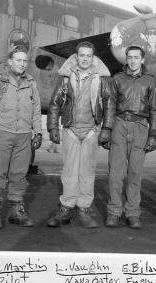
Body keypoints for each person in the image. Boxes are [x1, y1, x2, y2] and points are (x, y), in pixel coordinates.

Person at [47, 41, 115, 228]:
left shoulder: (102, 79)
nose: (85, 59)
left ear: (93, 57)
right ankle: (66, 207)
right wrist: (53, 128)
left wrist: (107, 130)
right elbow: (54, 104)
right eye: (82, 55)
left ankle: (83, 209)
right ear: (76, 57)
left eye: (88, 56)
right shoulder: (66, 78)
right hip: (70, 130)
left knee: (87, 172)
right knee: (69, 172)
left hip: (91, 131)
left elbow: (110, 105)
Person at [0, 45, 42, 229]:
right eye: (18, 60)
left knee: (19, 175)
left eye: (25, 61)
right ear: (10, 61)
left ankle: (16, 211)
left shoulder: (31, 83)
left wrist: (38, 132)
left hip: (24, 136)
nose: (22, 64)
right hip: (2, 133)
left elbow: (37, 110)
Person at [105, 45, 156, 229]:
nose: (133, 61)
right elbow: (110, 106)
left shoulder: (150, 81)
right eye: (130, 57)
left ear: (142, 60)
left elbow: (154, 110)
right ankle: (113, 212)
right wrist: (107, 130)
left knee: (135, 173)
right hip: (120, 124)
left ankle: (132, 213)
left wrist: (153, 134)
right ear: (126, 59)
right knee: (116, 173)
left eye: (137, 57)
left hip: (140, 127)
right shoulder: (117, 79)